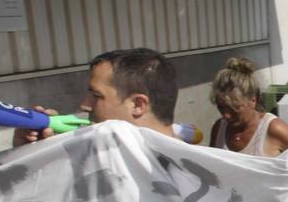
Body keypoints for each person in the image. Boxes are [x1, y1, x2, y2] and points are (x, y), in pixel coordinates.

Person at [13, 48, 180, 145]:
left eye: (96, 96)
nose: (84, 105)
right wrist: (28, 153)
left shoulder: (193, 179)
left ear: (137, 105)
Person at [208, 57, 288, 172]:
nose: (225, 115)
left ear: (253, 100)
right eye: (221, 107)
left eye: (234, 109)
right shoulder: (219, 129)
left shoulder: (274, 129)